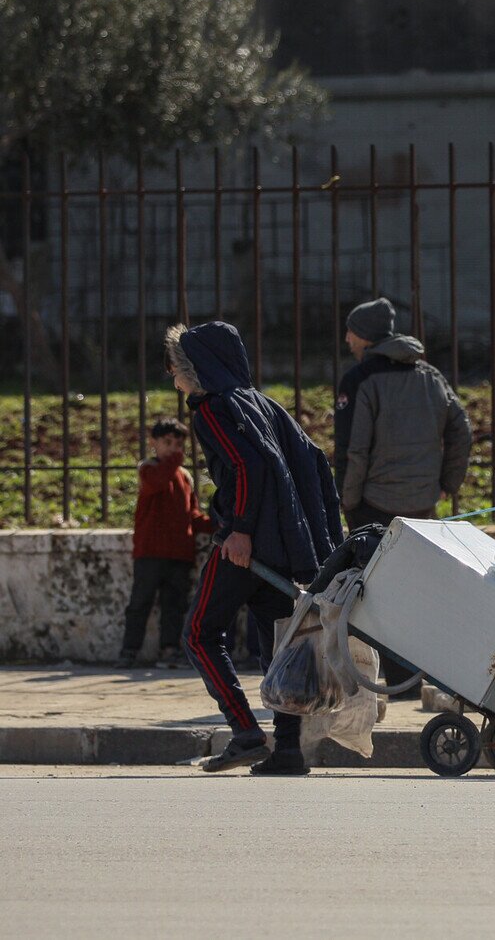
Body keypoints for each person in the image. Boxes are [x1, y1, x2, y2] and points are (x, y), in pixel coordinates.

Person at [164, 321, 343, 775]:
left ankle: (244, 731)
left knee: (199, 633)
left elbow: (248, 468)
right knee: (277, 648)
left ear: (195, 368)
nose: (173, 377)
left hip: (247, 547)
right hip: (283, 546)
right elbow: (311, 462)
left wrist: (240, 528)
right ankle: (287, 751)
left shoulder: (213, 408)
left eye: (176, 368)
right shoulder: (260, 403)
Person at [334, 297, 472, 532]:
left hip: (373, 505)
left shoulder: (359, 380)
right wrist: (447, 484)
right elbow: (462, 432)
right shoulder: (432, 376)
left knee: (375, 568)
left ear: (365, 336)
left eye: (351, 331)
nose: (347, 338)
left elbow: (353, 449)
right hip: (423, 504)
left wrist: (349, 502)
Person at [116, 418, 214, 669]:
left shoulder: (184, 476)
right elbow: (156, 483)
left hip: (179, 552)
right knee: (140, 601)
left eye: (178, 443)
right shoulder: (148, 469)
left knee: (174, 604)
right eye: (167, 442)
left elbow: (191, 513)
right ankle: (129, 650)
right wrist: (174, 462)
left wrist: (215, 525)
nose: (173, 448)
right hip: (150, 552)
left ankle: (169, 649)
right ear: (154, 443)